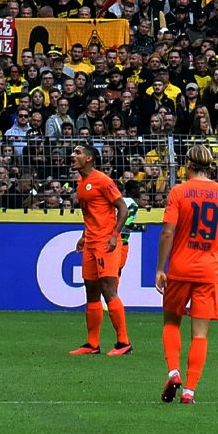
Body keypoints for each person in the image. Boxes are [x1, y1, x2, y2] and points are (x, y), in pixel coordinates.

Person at [156, 146, 218, 405]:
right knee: (200, 334)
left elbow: (168, 232)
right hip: (209, 270)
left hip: (181, 268)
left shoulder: (179, 192)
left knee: (171, 323)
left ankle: (173, 372)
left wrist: (160, 268)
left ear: (188, 165)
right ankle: (189, 390)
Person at [69, 146, 134, 356]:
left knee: (108, 288)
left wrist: (115, 235)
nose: (72, 155)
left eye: (77, 152)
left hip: (106, 242)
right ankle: (92, 344)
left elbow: (123, 208)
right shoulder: (81, 184)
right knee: (91, 290)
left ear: (89, 158)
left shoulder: (103, 180)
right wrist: (84, 235)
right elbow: (90, 214)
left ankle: (123, 342)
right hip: (91, 242)